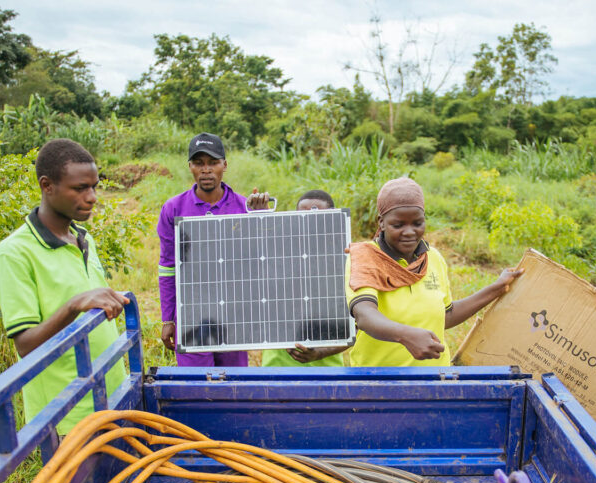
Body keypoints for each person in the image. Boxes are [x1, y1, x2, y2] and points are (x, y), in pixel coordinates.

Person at [0, 138, 128, 435]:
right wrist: (73, 305)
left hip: (111, 393)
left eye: (94, 186)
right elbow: (25, 344)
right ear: (47, 185)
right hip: (68, 414)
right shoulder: (15, 253)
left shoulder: (83, 238)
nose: (92, 197)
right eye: (80, 188)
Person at [345, 177, 523, 367]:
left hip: (435, 379)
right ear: (381, 223)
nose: (409, 232)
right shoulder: (366, 258)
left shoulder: (433, 258)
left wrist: (497, 288)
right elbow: (365, 315)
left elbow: (446, 315)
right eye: (398, 225)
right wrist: (406, 335)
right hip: (378, 382)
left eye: (417, 223)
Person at [157, 132, 270, 367]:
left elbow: (261, 260)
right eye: (198, 163)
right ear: (190, 166)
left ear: (224, 165)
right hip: (191, 313)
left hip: (234, 313)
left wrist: (262, 220)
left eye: (213, 163)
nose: (205, 170)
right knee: (197, 386)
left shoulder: (243, 207)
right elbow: (168, 267)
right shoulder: (173, 208)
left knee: (233, 385)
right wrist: (168, 318)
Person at [261, 189, 350, 368]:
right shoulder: (275, 258)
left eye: (318, 218)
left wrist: (320, 353)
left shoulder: (347, 261)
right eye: (304, 216)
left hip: (327, 373)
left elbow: (357, 325)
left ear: (332, 220)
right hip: (277, 369)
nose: (310, 224)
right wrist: (260, 218)